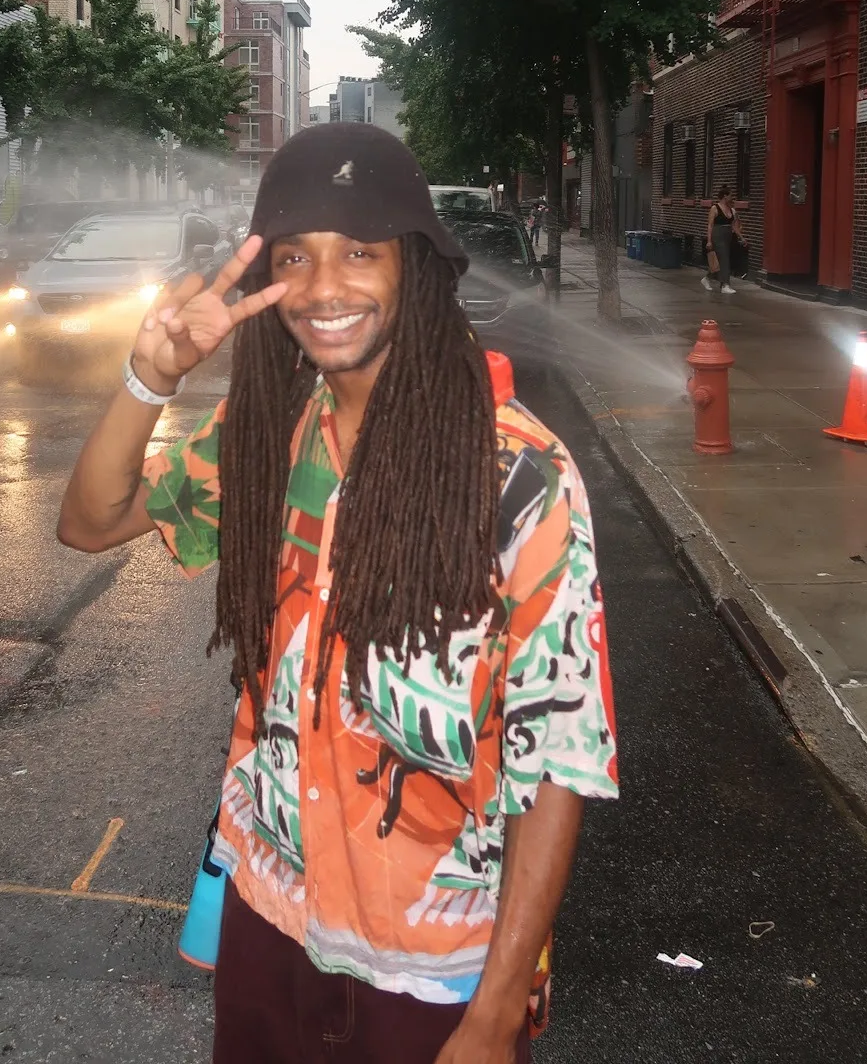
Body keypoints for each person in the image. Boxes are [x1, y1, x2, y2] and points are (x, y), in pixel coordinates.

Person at [56, 123, 618, 1064]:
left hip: (430, 966)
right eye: (294, 257)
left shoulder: (519, 475)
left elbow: (556, 760)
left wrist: (493, 1015)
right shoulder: (265, 430)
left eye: (359, 251)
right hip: (268, 914)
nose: (322, 288)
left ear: (414, 267)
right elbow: (90, 521)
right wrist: (149, 379)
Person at [704, 183, 744, 295]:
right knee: (724, 259)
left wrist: (741, 237)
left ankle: (707, 278)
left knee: (721, 260)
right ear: (725, 196)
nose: (732, 198)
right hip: (717, 235)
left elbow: (734, 226)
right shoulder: (715, 208)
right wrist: (709, 241)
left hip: (727, 236)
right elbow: (710, 225)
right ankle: (725, 285)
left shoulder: (731, 210)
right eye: (730, 195)